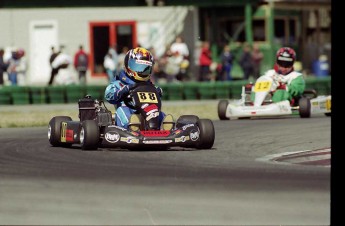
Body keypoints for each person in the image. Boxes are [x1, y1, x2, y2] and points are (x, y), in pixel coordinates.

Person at [104, 47, 172, 130]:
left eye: (145, 68)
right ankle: (132, 126)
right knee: (122, 110)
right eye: (138, 66)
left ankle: (164, 125)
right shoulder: (119, 83)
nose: (142, 71)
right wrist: (122, 91)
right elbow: (108, 95)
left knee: (158, 113)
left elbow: (157, 93)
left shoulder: (149, 85)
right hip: (128, 110)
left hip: (147, 112)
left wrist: (158, 91)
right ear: (127, 65)